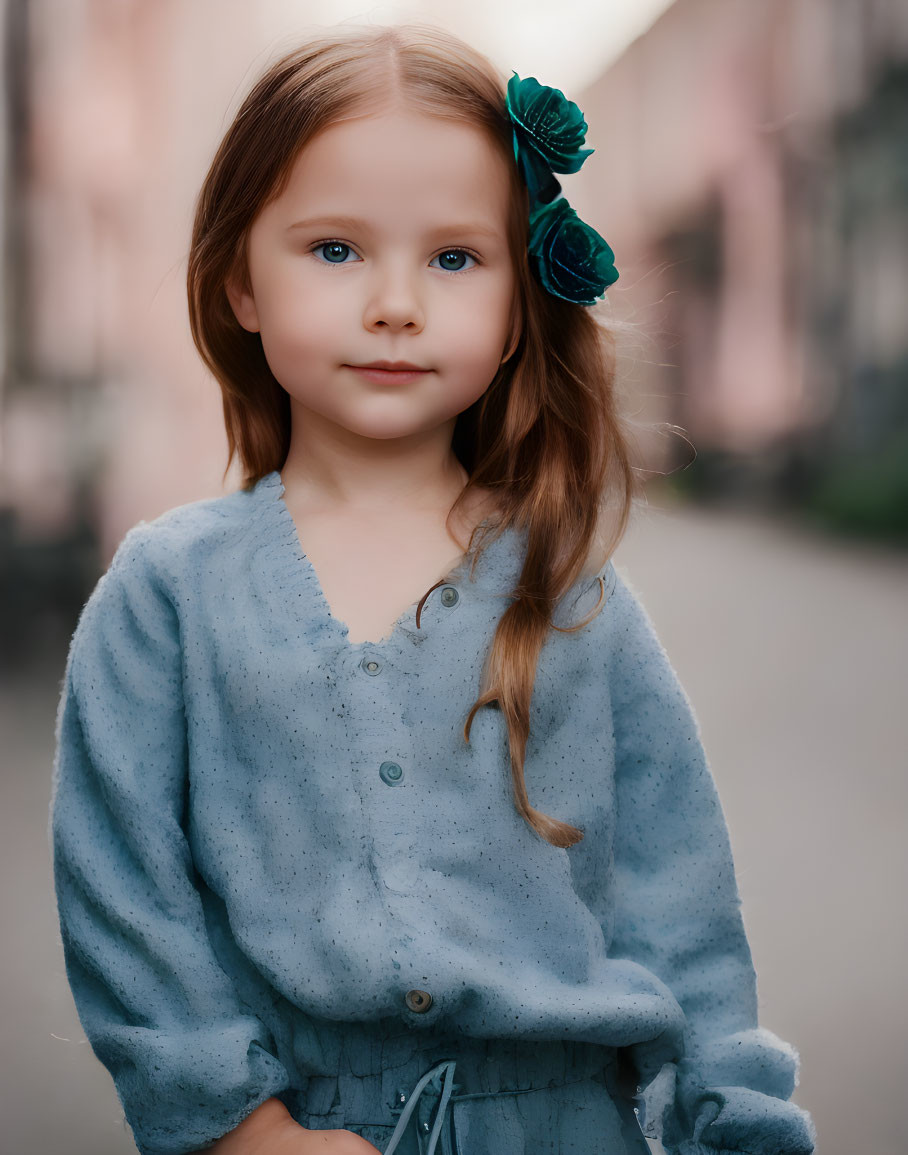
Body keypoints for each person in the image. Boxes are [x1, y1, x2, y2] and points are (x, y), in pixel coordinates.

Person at [49, 21, 818, 1155]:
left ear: (516, 309)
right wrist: (242, 1128)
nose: (396, 303)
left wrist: (734, 1121)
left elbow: (680, 909)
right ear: (238, 284)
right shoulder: (167, 594)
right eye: (334, 250)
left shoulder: (572, 596)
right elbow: (124, 901)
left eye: (454, 258)